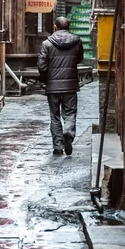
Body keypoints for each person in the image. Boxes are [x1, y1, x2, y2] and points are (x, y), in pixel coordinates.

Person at [37, 17, 84, 156]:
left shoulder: (47, 44)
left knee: (55, 116)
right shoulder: (76, 42)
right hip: (70, 85)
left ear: (55, 26)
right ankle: (68, 132)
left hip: (53, 86)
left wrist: (46, 80)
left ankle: (58, 146)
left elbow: (41, 65)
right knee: (70, 112)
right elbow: (79, 59)